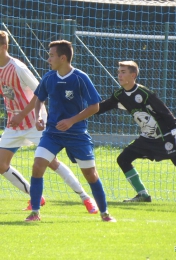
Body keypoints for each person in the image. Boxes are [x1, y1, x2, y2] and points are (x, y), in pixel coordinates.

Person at [96, 60, 176, 208]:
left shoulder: (144, 93)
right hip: (146, 139)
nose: (119, 74)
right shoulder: (119, 95)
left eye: (123, 72)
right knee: (123, 159)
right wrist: (82, 110)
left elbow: (164, 111)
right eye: (118, 71)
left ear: (133, 75)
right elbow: (101, 107)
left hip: (164, 137)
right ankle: (143, 195)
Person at [0, 30, 98, 214]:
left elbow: (40, 92)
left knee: (51, 163)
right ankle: (35, 196)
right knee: (1, 164)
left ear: (4, 47)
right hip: (14, 124)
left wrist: (23, 114)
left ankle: (86, 198)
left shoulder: (18, 68)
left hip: (35, 122)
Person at [25, 40, 116, 222]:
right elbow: (39, 99)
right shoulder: (49, 78)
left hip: (77, 135)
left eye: (51, 55)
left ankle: (105, 213)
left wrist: (72, 120)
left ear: (63, 57)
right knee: (37, 165)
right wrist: (39, 117)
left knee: (90, 174)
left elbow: (95, 106)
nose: (48, 59)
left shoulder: (80, 78)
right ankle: (35, 212)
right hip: (53, 134)